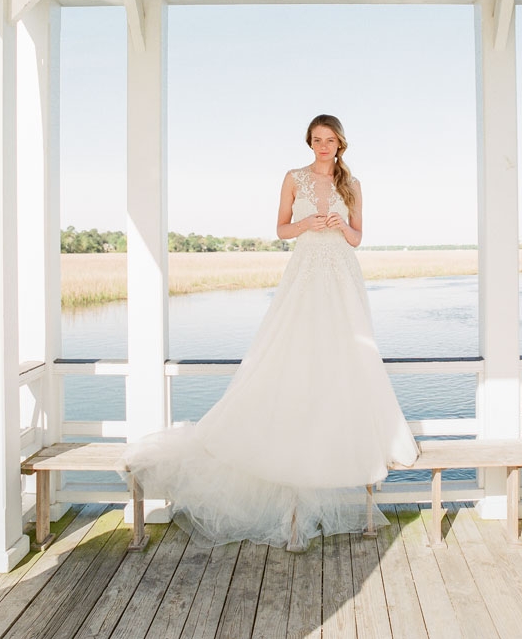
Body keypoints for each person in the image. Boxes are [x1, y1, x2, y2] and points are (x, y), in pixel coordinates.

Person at [124, 114, 418, 551]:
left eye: (330, 139)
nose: (323, 146)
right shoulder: (293, 177)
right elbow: (280, 229)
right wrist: (305, 225)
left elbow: (358, 238)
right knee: (295, 351)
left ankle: (356, 440)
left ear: (340, 143)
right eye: (317, 140)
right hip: (304, 272)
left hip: (342, 273)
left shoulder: (352, 185)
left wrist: (341, 226)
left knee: (349, 354)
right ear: (310, 143)